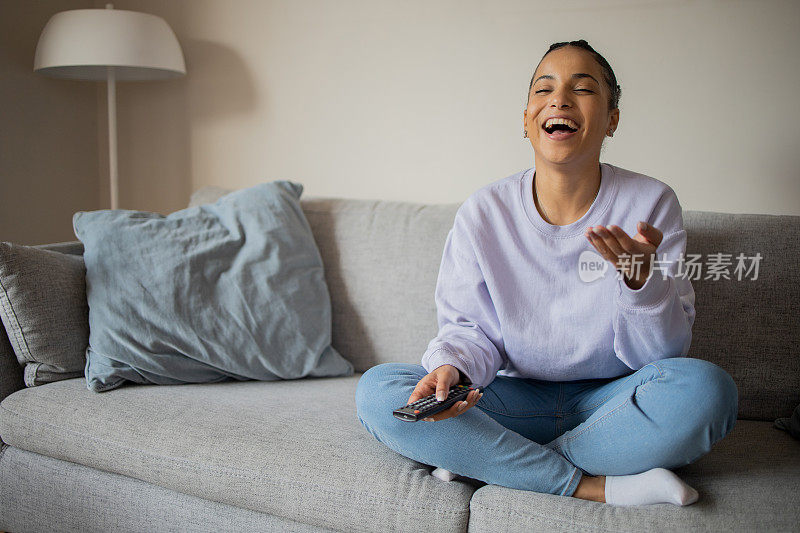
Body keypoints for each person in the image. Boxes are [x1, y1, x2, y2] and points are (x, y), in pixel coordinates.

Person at [355, 39, 738, 507]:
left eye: (583, 88)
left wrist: (642, 283)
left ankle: (491, 462)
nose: (560, 100)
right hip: (509, 400)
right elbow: (470, 330)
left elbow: (663, 357)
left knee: (706, 390)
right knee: (379, 391)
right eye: (544, 89)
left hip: (612, 404)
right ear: (526, 121)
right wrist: (450, 370)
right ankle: (595, 486)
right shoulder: (483, 212)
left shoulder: (651, 204)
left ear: (612, 119)